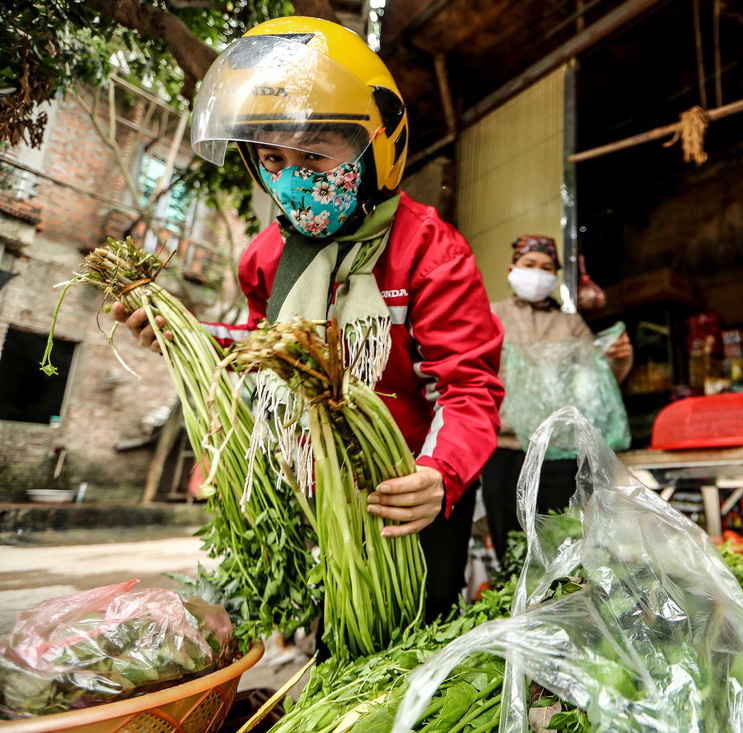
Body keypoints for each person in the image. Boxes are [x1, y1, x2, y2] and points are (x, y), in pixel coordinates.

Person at [111, 17, 504, 622]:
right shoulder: (265, 257)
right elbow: (264, 348)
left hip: (411, 492)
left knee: (419, 626)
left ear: (379, 148)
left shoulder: (431, 252)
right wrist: (185, 334)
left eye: (315, 152)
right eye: (272, 157)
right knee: (335, 631)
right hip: (319, 488)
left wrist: (439, 475)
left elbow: (468, 387)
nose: (292, 176)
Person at [481, 235, 632, 561]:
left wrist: (618, 359)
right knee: (511, 551)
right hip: (505, 453)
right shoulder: (490, 316)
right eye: (529, 265)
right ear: (512, 269)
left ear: (555, 276)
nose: (537, 273)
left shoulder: (570, 323)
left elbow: (598, 388)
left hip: (560, 456)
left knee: (563, 548)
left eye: (546, 267)